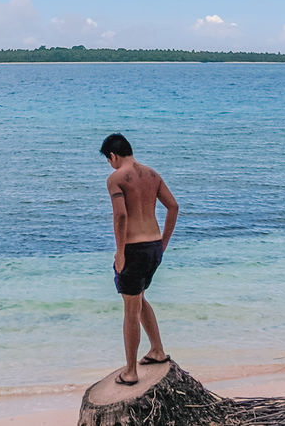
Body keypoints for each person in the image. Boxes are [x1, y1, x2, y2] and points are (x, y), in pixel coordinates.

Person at [99, 132, 178, 386]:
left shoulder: (116, 178)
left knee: (130, 309)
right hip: (154, 246)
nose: (110, 164)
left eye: (108, 159)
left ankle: (130, 372)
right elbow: (173, 206)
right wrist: (163, 242)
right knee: (139, 297)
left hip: (134, 250)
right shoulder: (152, 175)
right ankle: (157, 350)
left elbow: (120, 217)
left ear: (113, 156)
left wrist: (120, 252)